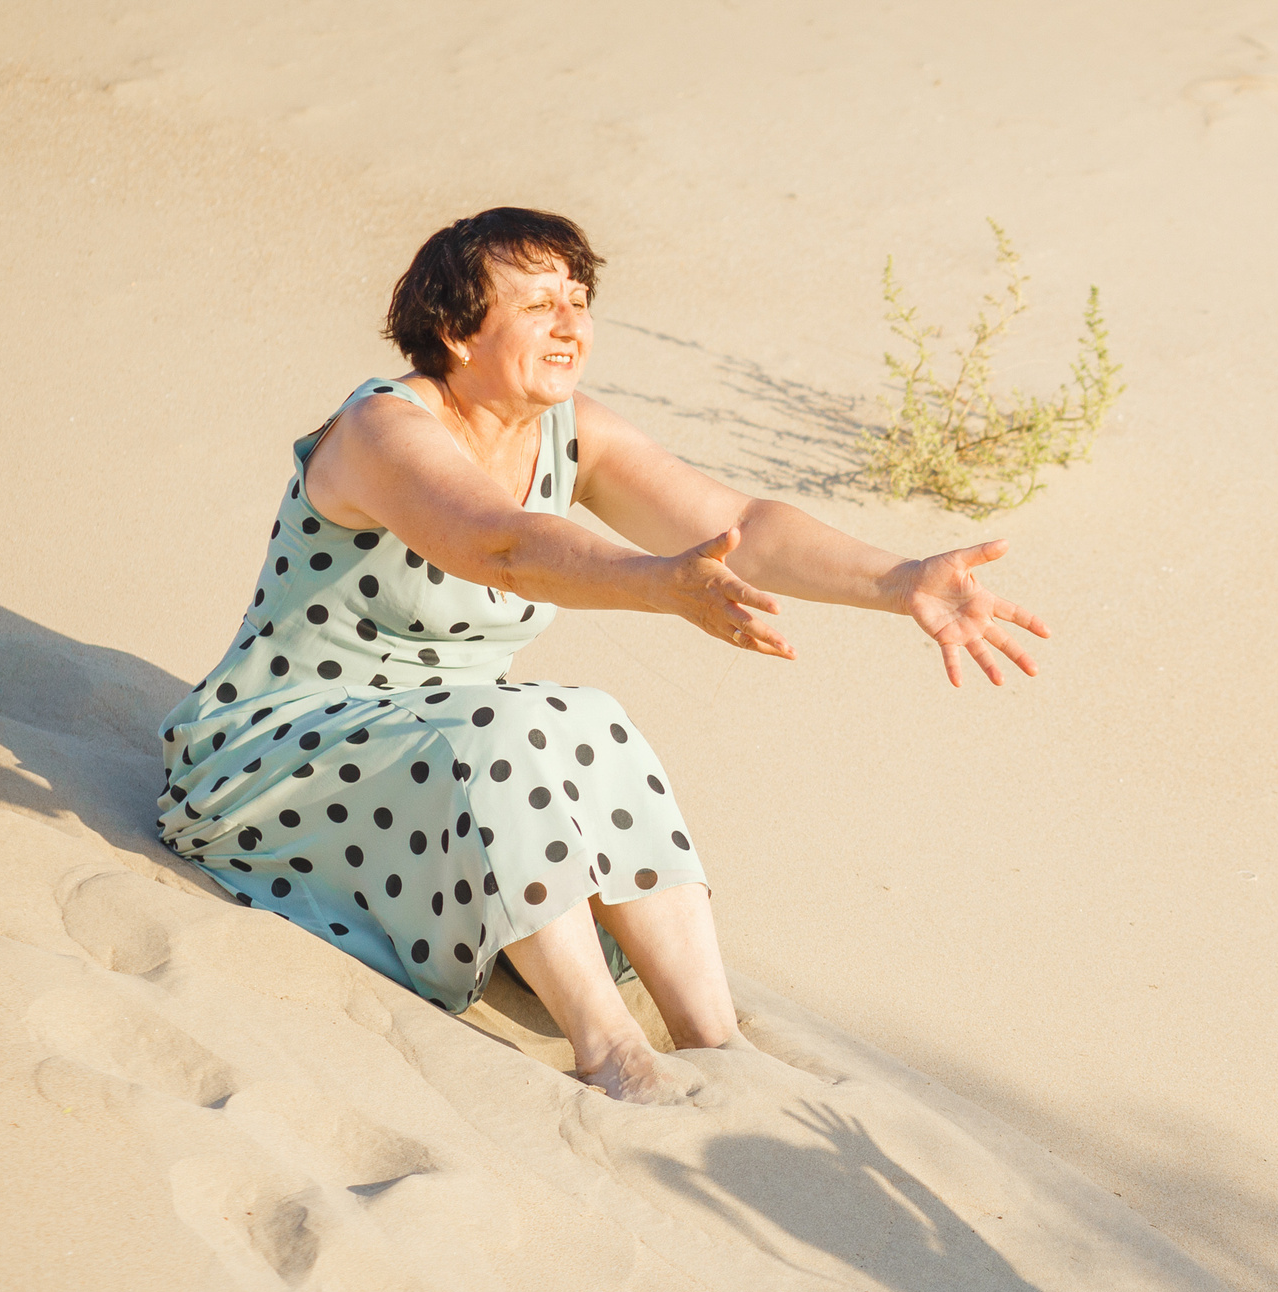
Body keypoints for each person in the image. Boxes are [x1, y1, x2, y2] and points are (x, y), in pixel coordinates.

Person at [156, 208, 1048, 1104]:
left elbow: (741, 530)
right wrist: (658, 581)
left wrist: (901, 580)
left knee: (590, 715)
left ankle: (716, 1038)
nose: (571, 324)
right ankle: (612, 1052)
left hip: (443, 749)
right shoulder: (381, 431)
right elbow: (496, 543)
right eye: (539, 304)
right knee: (506, 725)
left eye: (578, 300)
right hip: (277, 755)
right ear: (459, 332)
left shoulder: (568, 431)